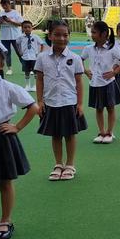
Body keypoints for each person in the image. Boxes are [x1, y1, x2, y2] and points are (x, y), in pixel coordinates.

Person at [0, 45, 38, 239]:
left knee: (5, 181)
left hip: (2, 136)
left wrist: (17, 127)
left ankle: (6, 219)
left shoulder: (8, 87)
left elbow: (33, 107)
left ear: (1, 63)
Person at [35, 20, 87, 181]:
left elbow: (79, 82)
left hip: (69, 102)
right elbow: (39, 80)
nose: (61, 38)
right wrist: (40, 101)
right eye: (57, 34)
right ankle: (58, 164)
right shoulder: (42, 58)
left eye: (65, 35)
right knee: (55, 135)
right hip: (51, 102)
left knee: (70, 134)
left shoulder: (75, 58)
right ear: (49, 36)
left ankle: (70, 165)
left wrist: (79, 103)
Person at [82, 21, 120, 144]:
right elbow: (79, 60)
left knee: (110, 108)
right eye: (92, 32)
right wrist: (86, 71)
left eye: (94, 32)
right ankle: (101, 132)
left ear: (103, 34)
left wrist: (114, 72)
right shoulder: (89, 48)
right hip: (95, 83)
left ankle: (109, 132)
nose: (92, 35)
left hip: (108, 83)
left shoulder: (112, 48)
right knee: (98, 108)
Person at [0, 0, 23, 76]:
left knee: (19, 52)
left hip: (16, 36)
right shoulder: (0, 14)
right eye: (3, 5)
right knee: (7, 53)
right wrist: (1, 21)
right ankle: (9, 68)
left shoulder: (15, 13)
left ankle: (25, 67)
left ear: (9, 4)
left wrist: (10, 21)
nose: (4, 6)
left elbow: (21, 24)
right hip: (4, 36)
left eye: (6, 4)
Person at [16, 20, 45, 91]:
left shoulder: (35, 37)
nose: (27, 29)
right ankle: (27, 85)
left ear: (32, 28)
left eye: (29, 27)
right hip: (25, 57)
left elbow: (42, 44)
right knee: (26, 71)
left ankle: (35, 85)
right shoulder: (20, 37)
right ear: (22, 28)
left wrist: (40, 53)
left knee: (35, 72)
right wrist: (20, 51)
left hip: (34, 57)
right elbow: (17, 43)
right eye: (25, 27)